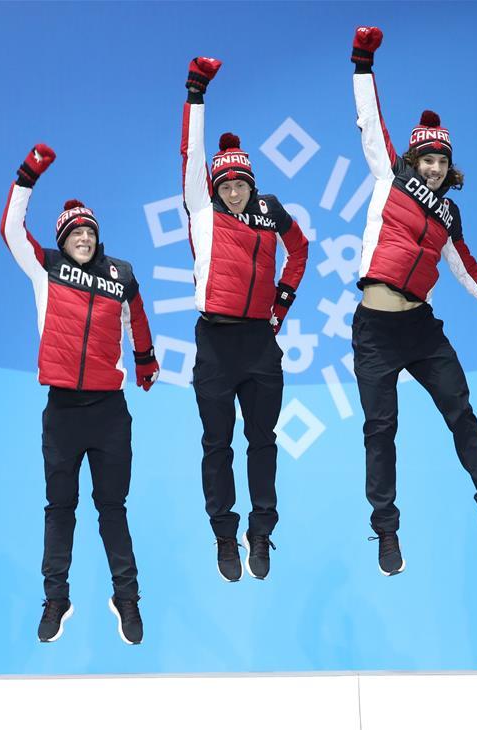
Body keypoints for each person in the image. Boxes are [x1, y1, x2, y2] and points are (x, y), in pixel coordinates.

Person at [350, 27, 477, 576]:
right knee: (381, 432)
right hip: (376, 330)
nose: (433, 167)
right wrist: (363, 63)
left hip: (422, 330)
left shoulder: (449, 216)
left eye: (441, 161)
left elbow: (468, 269)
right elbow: (371, 122)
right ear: (412, 157)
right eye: (426, 157)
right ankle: (386, 533)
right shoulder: (388, 179)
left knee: (461, 411)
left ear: (449, 168)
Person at [0, 144, 159, 644]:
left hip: (110, 412)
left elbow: (137, 319)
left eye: (90, 232)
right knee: (59, 508)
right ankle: (56, 597)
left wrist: (145, 361)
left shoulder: (121, 275)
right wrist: (27, 178)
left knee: (113, 508)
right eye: (76, 233)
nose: (84, 239)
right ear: (63, 240)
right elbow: (9, 230)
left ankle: (127, 598)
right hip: (63, 412)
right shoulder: (44, 270)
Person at [181, 57, 309, 582]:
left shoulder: (271, 210)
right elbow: (190, 157)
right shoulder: (204, 215)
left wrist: (281, 304)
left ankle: (261, 531)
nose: (233, 192)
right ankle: (223, 535)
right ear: (214, 189)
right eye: (225, 185)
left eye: (241, 184)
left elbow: (300, 250)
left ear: (252, 184)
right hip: (215, 342)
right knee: (217, 444)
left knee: (263, 441)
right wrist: (196, 94)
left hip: (259, 343)